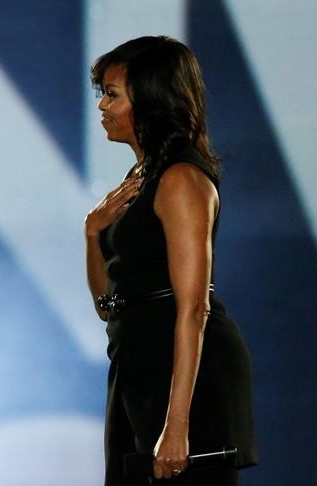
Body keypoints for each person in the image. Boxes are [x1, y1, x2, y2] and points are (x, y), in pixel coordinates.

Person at [84, 36, 257, 485]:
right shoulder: (139, 179)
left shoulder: (181, 178)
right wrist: (92, 232)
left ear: (151, 99)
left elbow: (193, 307)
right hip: (136, 366)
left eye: (113, 94)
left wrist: (177, 426)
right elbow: (108, 306)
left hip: (184, 376)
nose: (102, 105)